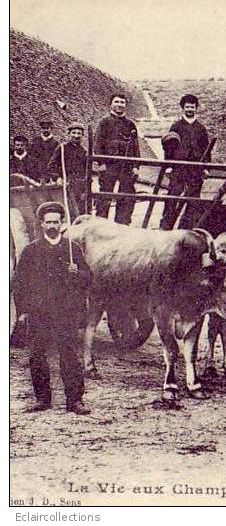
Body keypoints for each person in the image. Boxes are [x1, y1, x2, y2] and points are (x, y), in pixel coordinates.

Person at [12, 202, 92, 415]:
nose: (52, 226)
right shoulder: (31, 251)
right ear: (41, 224)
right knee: (37, 356)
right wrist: (24, 311)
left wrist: (77, 273)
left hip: (65, 312)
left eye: (56, 222)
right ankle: (43, 399)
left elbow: (88, 278)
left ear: (62, 223)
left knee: (69, 356)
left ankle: (75, 401)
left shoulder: (72, 250)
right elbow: (19, 283)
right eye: (48, 222)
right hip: (40, 313)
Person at [160, 94, 211, 230]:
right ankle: (166, 228)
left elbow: (206, 149)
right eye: (187, 107)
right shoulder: (176, 126)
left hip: (195, 170)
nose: (190, 109)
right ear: (183, 108)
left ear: (196, 109)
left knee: (193, 200)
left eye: (192, 107)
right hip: (178, 168)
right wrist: (169, 166)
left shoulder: (201, 129)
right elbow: (168, 148)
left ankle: (186, 229)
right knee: (173, 197)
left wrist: (206, 168)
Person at [93, 93, 140, 224]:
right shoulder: (104, 122)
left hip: (126, 166)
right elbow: (97, 144)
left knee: (126, 195)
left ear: (126, 105)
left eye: (122, 102)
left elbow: (136, 147)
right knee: (105, 195)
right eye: (117, 102)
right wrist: (101, 163)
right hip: (109, 165)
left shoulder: (130, 124)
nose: (119, 105)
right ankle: (101, 224)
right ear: (111, 104)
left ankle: (122, 224)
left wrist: (136, 166)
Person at [47, 122, 89, 213]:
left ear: (82, 136)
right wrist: (57, 178)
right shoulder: (62, 148)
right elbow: (51, 166)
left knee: (82, 209)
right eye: (74, 133)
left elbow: (87, 171)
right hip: (66, 183)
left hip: (80, 185)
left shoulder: (84, 151)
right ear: (69, 133)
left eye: (79, 133)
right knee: (68, 210)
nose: (76, 136)